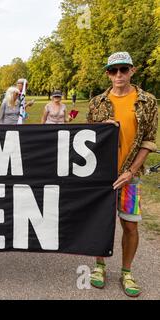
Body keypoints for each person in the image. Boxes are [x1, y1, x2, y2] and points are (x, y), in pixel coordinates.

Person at [87, 52, 158, 298]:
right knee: (100, 222)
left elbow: (149, 140)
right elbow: (87, 138)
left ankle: (127, 271)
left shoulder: (147, 101)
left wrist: (130, 171)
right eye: (113, 70)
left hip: (129, 175)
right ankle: (99, 266)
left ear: (132, 71)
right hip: (101, 176)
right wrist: (100, 128)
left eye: (123, 69)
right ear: (107, 73)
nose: (118, 75)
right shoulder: (97, 102)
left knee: (129, 224)